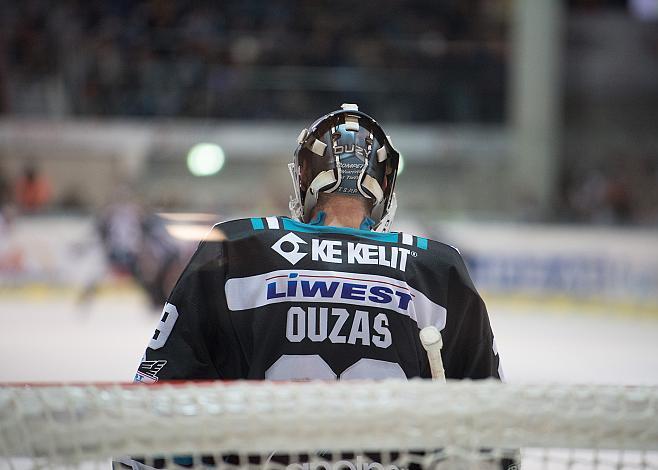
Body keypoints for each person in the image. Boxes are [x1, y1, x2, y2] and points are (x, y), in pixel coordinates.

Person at [126, 104, 506, 467]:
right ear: (385, 183)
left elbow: (155, 406)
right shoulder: (438, 268)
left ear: (304, 177)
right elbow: (493, 430)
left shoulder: (237, 248)